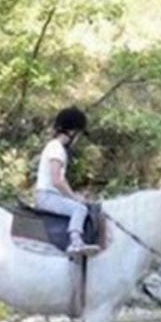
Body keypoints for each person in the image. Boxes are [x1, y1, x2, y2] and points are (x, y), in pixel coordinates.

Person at [34, 106, 98, 256]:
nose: (78, 139)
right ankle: (75, 242)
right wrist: (75, 197)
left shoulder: (54, 147)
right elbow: (57, 180)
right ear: (72, 132)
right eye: (79, 134)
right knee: (79, 209)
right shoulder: (57, 149)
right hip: (47, 196)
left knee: (78, 205)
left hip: (49, 195)